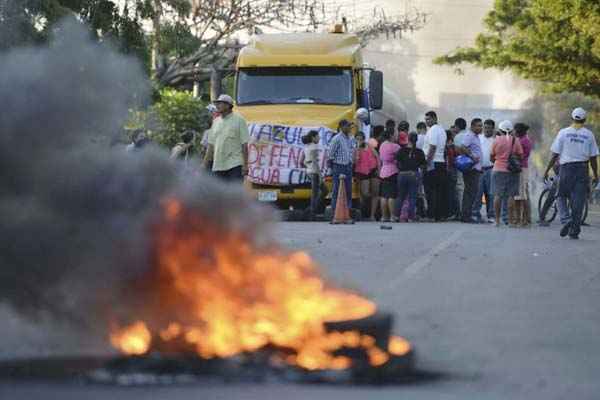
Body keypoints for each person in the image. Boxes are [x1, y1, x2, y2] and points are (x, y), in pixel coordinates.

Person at [543, 107, 599, 239]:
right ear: (584, 119)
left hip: (566, 169)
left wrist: (547, 170)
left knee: (560, 196)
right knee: (578, 201)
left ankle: (566, 219)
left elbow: (555, 154)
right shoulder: (589, 135)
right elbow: (593, 158)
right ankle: (574, 231)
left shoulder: (563, 133)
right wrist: (596, 174)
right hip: (582, 169)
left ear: (572, 118)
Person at [203, 94, 249, 181]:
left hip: (235, 165)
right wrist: (204, 164)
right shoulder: (215, 122)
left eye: (220, 103)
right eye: (217, 103)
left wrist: (246, 165)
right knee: (221, 194)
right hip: (218, 165)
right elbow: (210, 146)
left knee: (234, 192)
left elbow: (244, 144)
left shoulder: (239, 120)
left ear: (228, 105)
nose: (217, 106)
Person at [490, 120, 523, 227]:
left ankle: (497, 221)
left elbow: (491, 155)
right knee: (511, 196)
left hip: (498, 169)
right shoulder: (515, 140)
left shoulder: (496, 140)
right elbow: (521, 155)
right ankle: (510, 221)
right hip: (512, 171)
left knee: (497, 195)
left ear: (500, 130)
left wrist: (498, 161)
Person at [423, 111, 448, 221]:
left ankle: (431, 215)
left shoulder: (433, 130)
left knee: (430, 190)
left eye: (428, 119)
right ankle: (439, 215)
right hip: (441, 162)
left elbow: (432, 147)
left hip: (433, 162)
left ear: (434, 118)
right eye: (426, 119)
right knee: (439, 190)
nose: (426, 121)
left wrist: (427, 163)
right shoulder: (442, 130)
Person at [396, 132, 427, 222]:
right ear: (416, 140)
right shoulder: (419, 152)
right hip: (414, 174)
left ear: (408, 139)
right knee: (412, 197)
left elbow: (397, 162)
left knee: (400, 196)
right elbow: (423, 165)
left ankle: (396, 216)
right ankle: (410, 217)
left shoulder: (401, 150)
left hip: (402, 174)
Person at [328, 119, 355, 222]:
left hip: (348, 166)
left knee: (348, 191)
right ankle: (335, 215)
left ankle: (346, 215)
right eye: (347, 126)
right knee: (337, 191)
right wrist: (333, 169)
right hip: (339, 167)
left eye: (350, 126)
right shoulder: (337, 138)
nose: (349, 128)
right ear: (342, 127)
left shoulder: (350, 138)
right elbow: (330, 155)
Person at [460, 118, 483, 223]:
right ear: (472, 126)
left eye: (481, 126)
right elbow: (463, 147)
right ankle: (466, 216)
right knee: (470, 192)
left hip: (476, 169)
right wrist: (472, 156)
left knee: (472, 192)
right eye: (478, 125)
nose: (480, 128)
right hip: (471, 169)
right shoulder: (470, 136)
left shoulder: (476, 136)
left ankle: (466, 214)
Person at [473, 119, 496, 223]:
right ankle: (476, 214)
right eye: (485, 128)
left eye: (489, 128)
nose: (486, 130)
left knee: (491, 194)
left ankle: (491, 215)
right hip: (479, 169)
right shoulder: (478, 138)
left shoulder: (496, 140)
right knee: (478, 193)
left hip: (491, 169)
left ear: (493, 129)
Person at [354, 131, 380, 221]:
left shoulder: (369, 146)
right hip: (361, 172)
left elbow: (377, 157)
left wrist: (379, 170)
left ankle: (372, 215)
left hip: (373, 170)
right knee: (364, 193)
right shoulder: (354, 148)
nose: (359, 140)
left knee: (375, 192)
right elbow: (355, 161)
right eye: (357, 139)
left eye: (361, 139)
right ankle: (364, 211)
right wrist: (357, 149)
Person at [378, 129, 401, 222]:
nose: (396, 136)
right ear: (391, 136)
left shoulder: (382, 145)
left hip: (383, 172)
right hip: (392, 171)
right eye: (395, 135)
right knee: (392, 196)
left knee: (384, 196)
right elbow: (401, 156)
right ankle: (392, 216)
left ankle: (384, 216)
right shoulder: (395, 146)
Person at [513, 123, 533, 227]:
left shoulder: (523, 141)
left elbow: (520, 155)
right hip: (522, 167)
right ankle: (523, 218)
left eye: (515, 130)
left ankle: (522, 219)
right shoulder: (525, 139)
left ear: (519, 131)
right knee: (522, 195)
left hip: (521, 168)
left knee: (521, 196)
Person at [302, 130, 321, 219]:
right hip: (314, 172)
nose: (319, 138)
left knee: (319, 191)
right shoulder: (314, 147)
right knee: (315, 193)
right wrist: (320, 175)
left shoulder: (306, 147)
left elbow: (303, 161)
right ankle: (312, 212)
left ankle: (312, 209)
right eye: (318, 136)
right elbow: (315, 162)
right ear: (313, 137)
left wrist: (308, 165)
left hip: (309, 171)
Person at [453, 117, 468, 218]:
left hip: (461, 164)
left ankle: (462, 211)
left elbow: (457, 151)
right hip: (471, 164)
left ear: (457, 127)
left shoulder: (457, 137)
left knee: (460, 187)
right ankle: (468, 210)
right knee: (469, 187)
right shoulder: (469, 135)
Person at [446, 130, 460, 219]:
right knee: (453, 192)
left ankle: (452, 212)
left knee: (451, 192)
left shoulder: (448, 147)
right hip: (454, 170)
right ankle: (456, 212)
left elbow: (449, 160)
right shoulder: (453, 146)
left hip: (449, 170)